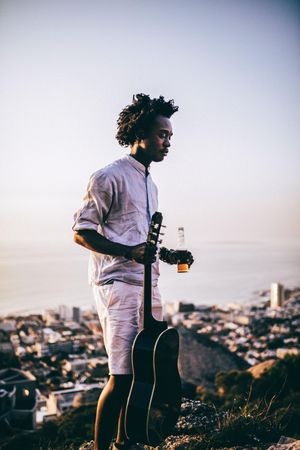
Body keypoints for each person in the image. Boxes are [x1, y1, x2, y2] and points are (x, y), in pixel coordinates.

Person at [72, 93, 194, 450]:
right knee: (122, 375)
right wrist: (127, 252)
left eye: (170, 136)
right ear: (139, 133)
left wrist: (168, 255)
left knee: (147, 372)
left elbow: (141, 242)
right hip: (118, 286)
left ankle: (128, 441)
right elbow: (82, 232)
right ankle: (101, 447)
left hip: (147, 284)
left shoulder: (151, 185)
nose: (168, 142)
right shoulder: (108, 176)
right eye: (162, 134)